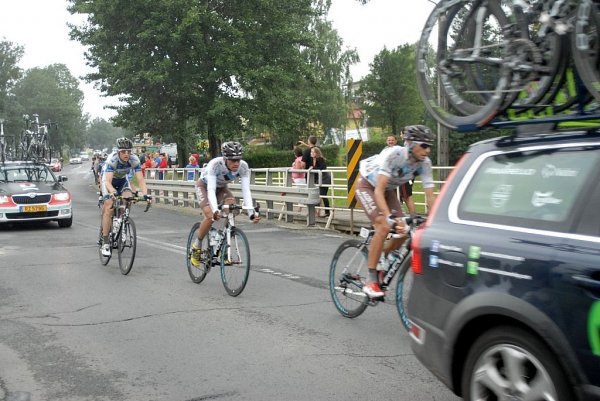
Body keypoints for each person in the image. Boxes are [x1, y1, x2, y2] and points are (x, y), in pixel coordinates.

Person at [355, 125, 437, 298]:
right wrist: (390, 217)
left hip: (388, 190)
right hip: (368, 185)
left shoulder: (425, 163)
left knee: (405, 230)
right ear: (410, 144)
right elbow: (378, 190)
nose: (427, 150)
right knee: (384, 226)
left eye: (430, 146)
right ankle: (371, 280)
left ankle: (381, 259)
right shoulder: (395, 155)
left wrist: (435, 221)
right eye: (423, 145)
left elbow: (430, 197)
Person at [190, 141, 260, 267]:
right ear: (225, 159)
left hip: (222, 188)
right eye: (233, 160)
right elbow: (211, 189)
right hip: (205, 187)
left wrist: (251, 213)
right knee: (209, 214)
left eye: (238, 160)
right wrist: (215, 210)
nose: (236, 163)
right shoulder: (215, 164)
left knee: (232, 206)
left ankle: (224, 243)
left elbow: (246, 190)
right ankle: (197, 245)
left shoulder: (243, 167)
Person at [100, 137, 152, 256]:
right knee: (109, 207)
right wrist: (112, 192)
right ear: (118, 152)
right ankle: (106, 242)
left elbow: (140, 179)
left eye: (129, 151)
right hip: (109, 182)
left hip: (122, 181)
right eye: (123, 151)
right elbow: (107, 181)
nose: (126, 154)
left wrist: (145, 194)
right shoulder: (112, 159)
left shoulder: (134, 160)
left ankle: (122, 223)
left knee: (128, 198)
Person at [388, 132, 416, 216]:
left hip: (404, 175)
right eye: (389, 140)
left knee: (406, 196)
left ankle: (413, 216)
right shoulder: (387, 150)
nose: (390, 141)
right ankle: (396, 216)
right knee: (394, 196)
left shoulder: (401, 148)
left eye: (392, 140)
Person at [310, 146, 331, 217]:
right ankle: (319, 211)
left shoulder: (320, 159)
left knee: (323, 195)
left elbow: (322, 167)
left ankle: (327, 212)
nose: (311, 153)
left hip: (325, 179)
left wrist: (313, 168)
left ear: (316, 153)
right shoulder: (314, 159)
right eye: (311, 152)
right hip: (320, 179)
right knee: (320, 195)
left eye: (313, 152)